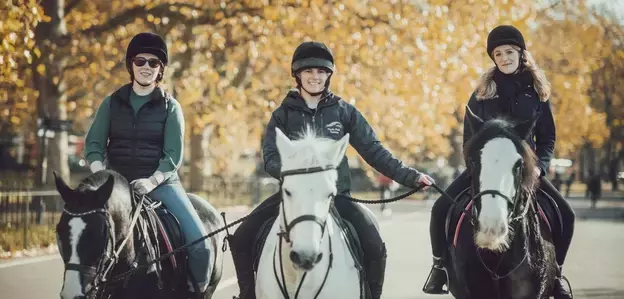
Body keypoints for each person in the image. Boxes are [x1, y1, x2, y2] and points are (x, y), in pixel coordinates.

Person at [228, 41, 434, 299]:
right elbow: (270, 156)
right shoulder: (282, 115)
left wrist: (411, 176)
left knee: (373, 242)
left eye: (321, 71)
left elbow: (374, 151)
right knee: (243, 236)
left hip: (337, 196)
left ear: (328, 75)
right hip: (293, 196)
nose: (315, 77)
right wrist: (294, 173)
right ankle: (248, 294)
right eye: (308, 71)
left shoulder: (344, 111)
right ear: (297, 75)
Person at [421, 25, 575, 298]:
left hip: (523, 170)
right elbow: (469, 135)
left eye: (509, 52)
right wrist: (476, 166)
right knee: (440, 207)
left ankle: (558, 274)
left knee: (566, 214)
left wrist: (541, 166)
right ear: (493, 58)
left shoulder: (537, 92)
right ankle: (439, 268)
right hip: (484, 169)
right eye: (498, 54)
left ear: (521, 53)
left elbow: (547, 136)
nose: (504, 58)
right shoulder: (482, 91)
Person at [83, 32, 212, 294]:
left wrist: (152, 180)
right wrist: (103, 177)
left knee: (200, 244)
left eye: (153, 63)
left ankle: (194, 290)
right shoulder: (111, 103)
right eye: (140, 61)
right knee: (80, 232)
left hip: (160, 182)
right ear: (130, 64)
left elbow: (173, 155)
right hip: (116, 184)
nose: (146, 67)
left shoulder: (171, 107)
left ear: (161, 69)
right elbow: (93, 146)